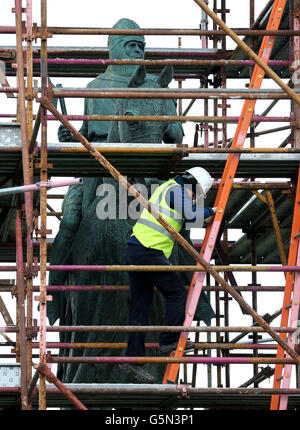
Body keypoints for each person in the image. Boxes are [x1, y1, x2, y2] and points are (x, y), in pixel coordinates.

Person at [120, 167, 217, 383]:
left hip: (136, 250)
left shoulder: (167, 188)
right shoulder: (177, 191)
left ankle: (133, 360)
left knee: (140, 308)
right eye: (197, 194)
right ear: (193, 185)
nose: (195, 198)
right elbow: (192, 216)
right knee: (176, 293)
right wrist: (213, 211)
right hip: (148, 251)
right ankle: (169, 340)